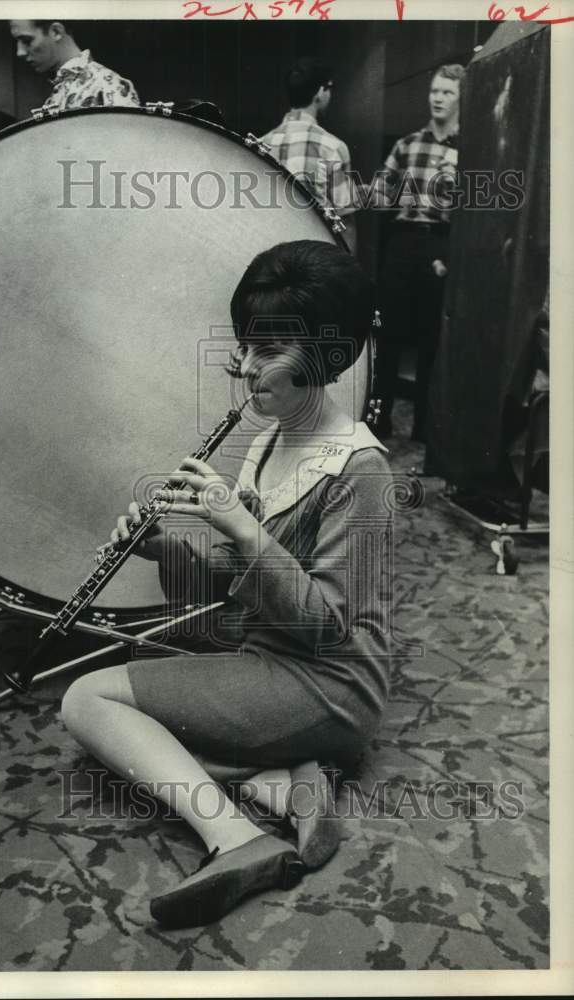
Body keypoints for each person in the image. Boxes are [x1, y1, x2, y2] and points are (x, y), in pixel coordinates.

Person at [57, 241, 392, 928]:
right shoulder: (268, 440)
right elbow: (240, 588)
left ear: (327, 356)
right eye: (245, 346)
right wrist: (161, 551)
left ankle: (236, 839)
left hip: (332, 681)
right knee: (136, 722)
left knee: (86, 700)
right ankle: (286, 783)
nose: (245, 368)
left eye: (268, 351)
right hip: (270, 657)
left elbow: (326, 625)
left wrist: (240, 525)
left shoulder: (362, 471)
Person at [370, 64, 465, 443]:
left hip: (442, 242)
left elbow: (478, 214)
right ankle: (378, 422)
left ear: (462, 100)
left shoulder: (471, 150)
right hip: (403, 240)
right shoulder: (408, 144)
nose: (438, 98)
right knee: (387, 334)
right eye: (435, 91)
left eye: (447, 93)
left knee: (432, 339)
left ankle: (426, 429)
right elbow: (378, 195)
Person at [260, 58, 358, 253]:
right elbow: (346, 220)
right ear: (320, 93)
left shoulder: (262, 144)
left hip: (270, 255)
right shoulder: (333, 147)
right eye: (329, 88)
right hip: (314, 258)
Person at [9, 20, 139, 111]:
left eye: (26, 41)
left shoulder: (108, 85)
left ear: (56, 31)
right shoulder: (57, 93)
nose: (19, 52)